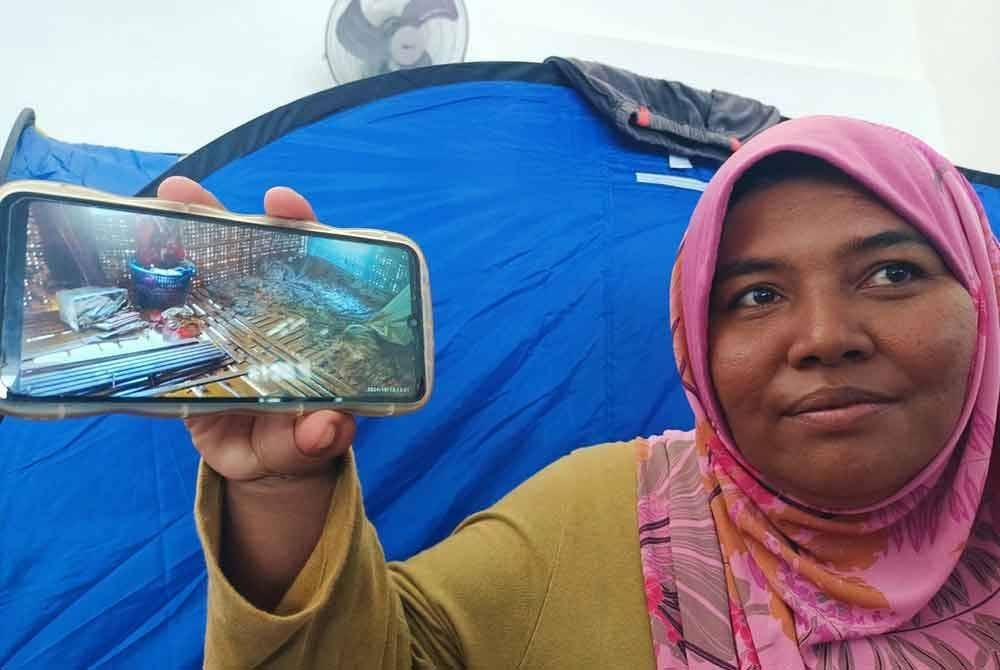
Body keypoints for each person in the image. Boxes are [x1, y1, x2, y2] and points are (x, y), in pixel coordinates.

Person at [162, 115, 1000, 669]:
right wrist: (279, 489)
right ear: (695, 344)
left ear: (981, 297)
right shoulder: (606, 518)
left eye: (892, 273)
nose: (824, 336)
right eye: (756, 295)